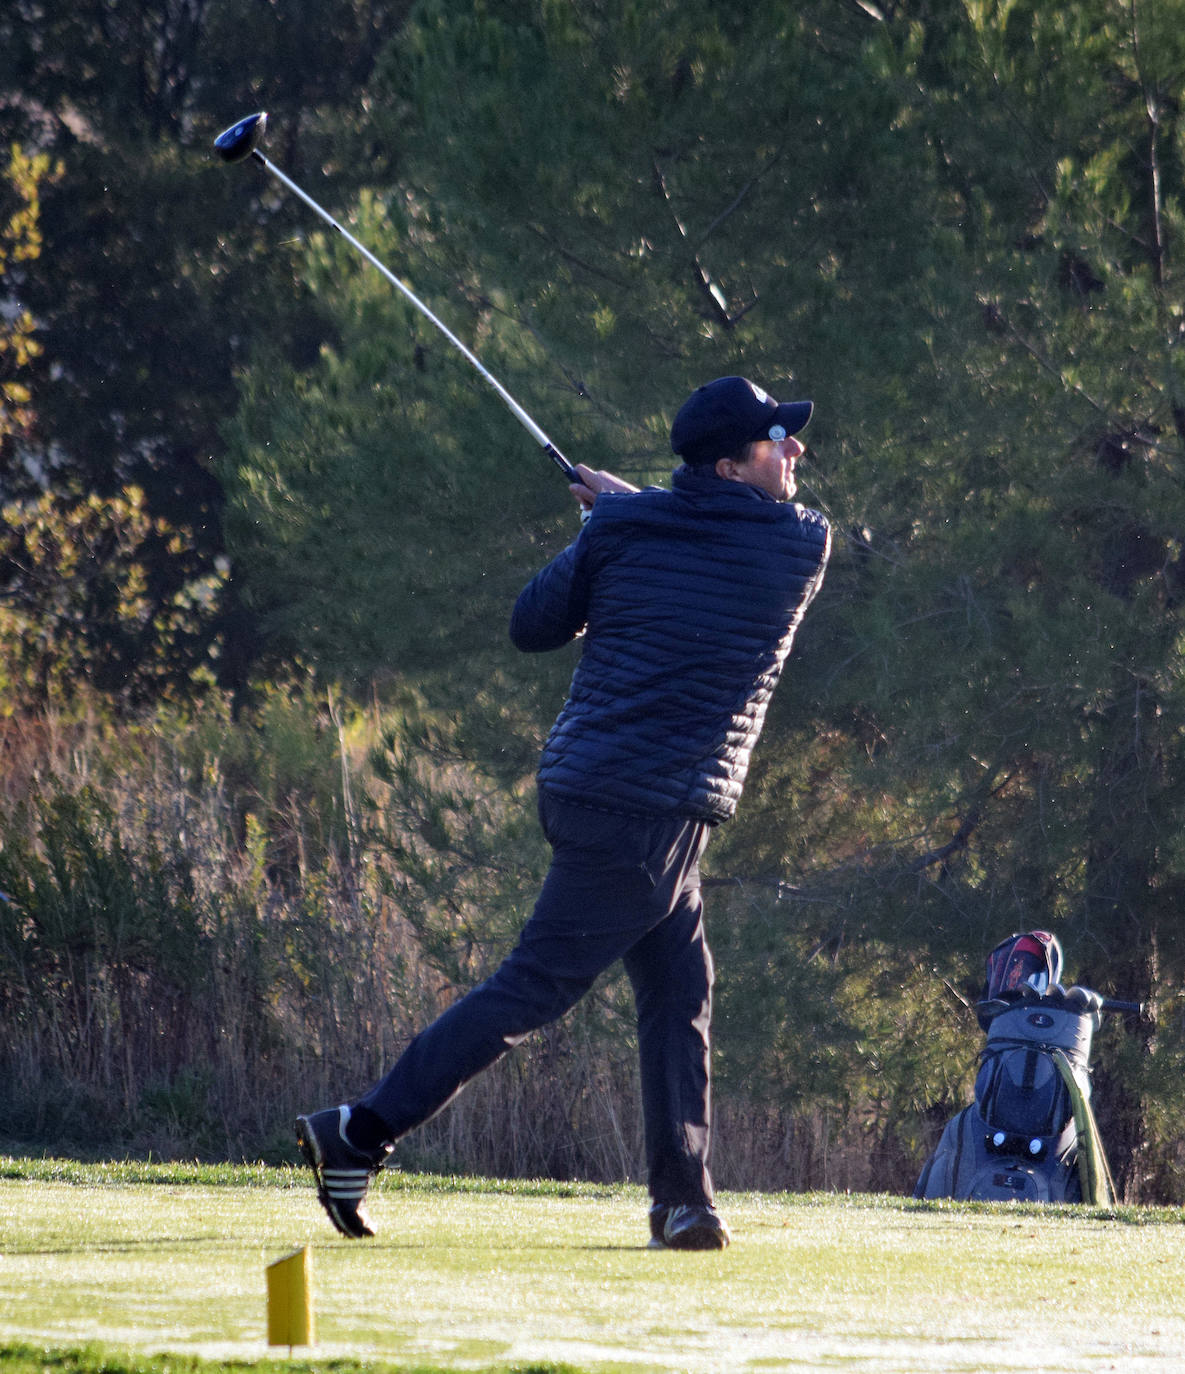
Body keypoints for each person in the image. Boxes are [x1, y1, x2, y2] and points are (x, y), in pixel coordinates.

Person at [295, 375, 831, 1249]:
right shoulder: (796, 544)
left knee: (679, 988)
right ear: (732, 468)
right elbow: (548, 618)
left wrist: (604, 525)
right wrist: (616, 517)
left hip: (600, 790)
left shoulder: (633, 531)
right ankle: (358, 1131)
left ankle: (682, 1202)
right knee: (533, 986)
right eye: (779, 441)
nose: (796, 451)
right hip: (645, 809)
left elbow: (540, 621)